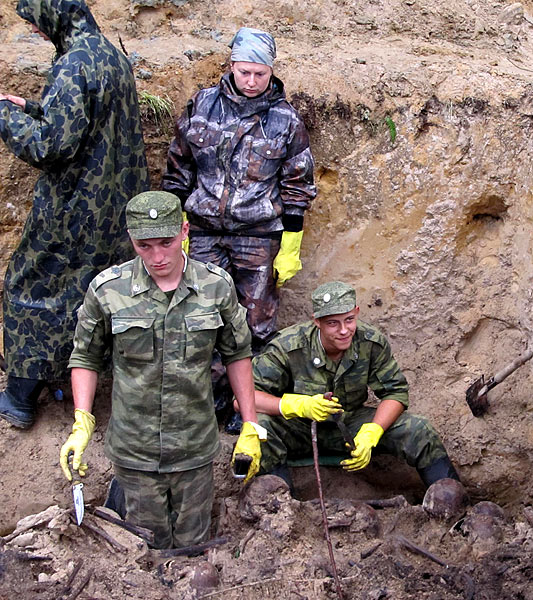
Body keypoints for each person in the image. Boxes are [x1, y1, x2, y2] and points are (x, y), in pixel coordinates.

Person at [58, 191, 265, 549]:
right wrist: (82, 422)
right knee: (145, 546)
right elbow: (86, 357)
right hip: (135, 449)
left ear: (184, 231)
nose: (157, 257)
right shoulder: (108, 290)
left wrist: (250, 424)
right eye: (145, 246)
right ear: (131, 239)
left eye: (166, 243)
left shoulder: (215, 286)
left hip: (194, 446)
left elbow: (238, 354)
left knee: (193, 546)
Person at [0, 0, 149, 429]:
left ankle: (20, 396)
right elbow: (88, 121)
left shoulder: (73, 64)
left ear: (54, 14)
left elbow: (50, 146)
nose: (35, 29)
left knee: (32, 289)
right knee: (90, 297)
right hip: (113, 211)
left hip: (73, 211)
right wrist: (31, 107)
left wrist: (5, 115)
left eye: (35, 20)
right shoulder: (111, 57)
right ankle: (76, 380)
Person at [161, 27, 316, 429]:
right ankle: (205, 403)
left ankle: (245, 405)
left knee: (255, 326)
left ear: (271, 72)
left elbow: (298, 186)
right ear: (231, 65)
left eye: (260, 74)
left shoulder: (285, 120)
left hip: (257, 236)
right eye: (244, 72)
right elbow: (178, 169)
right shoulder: (202, 106)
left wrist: (290, 246)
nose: (251, 81)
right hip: (202, 233)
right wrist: (175, 227)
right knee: (199, 317)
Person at [243, 281, 460, 491]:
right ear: (317, 321)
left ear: (356, 312)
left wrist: (373, 431)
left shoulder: (370, 341)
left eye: (349, 320)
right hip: (299, 429)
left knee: (418, 429)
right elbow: (244, 399)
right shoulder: (288, 346)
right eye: (333, 323)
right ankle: (278, 504)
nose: (344, 330)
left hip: (351, 426)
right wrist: (298, 405)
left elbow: (395, 392)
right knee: (259, 427)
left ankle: (452, 500)